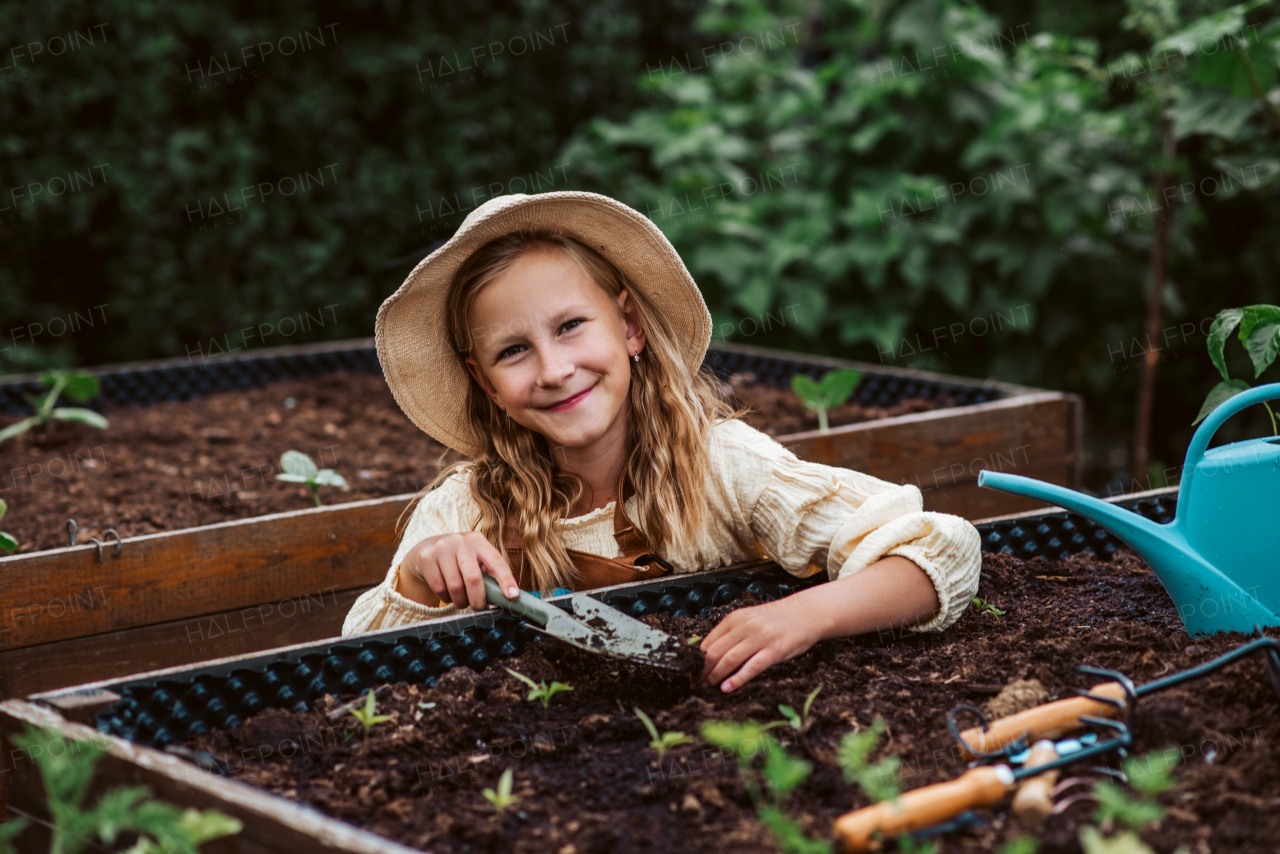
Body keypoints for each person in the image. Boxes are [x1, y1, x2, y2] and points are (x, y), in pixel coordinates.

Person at [342, 191, 981, 692]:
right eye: (514, 350)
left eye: (570, 326)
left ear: (631, 326)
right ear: (484, 383)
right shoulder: (467, 511)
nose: (554, 369)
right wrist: (425, 578)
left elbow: (941, 549)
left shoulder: (719, 466)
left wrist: (804, 616)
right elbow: (353, 664)